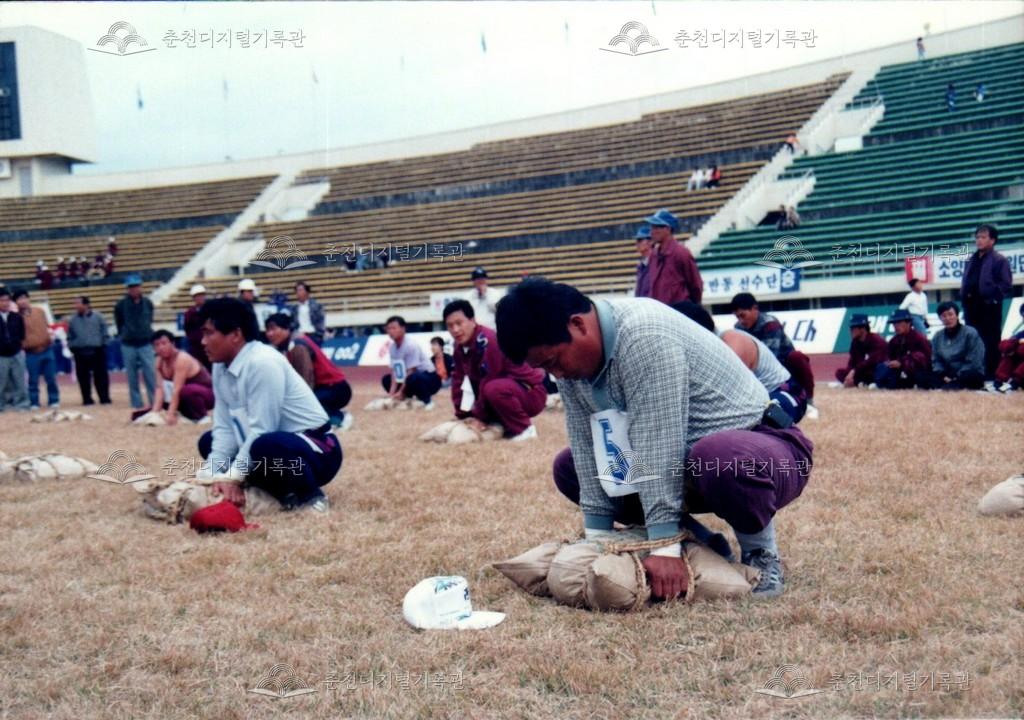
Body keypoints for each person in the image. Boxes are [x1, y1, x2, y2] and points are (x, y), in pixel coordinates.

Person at [496, 278, 813, 599]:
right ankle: (700, 546)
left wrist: (663, 545)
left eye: (553, 362)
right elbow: (586, 444)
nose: (557, 375)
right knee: (569, 466)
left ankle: (761, 554)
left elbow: (658, 441)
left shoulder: (643, 335)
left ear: (578, 325)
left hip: (764, 448)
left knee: (720, 458)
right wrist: (596, 542)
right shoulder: (572, 360)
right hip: (683, 466)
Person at [196, 298, 341, 514]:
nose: (203, 341)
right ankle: (276, 491)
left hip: (316, 449)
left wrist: (233, 476)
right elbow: (224, 428)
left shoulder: (262, 362)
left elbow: (263, 429)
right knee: (208, 442)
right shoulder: (220, 366)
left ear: (235, 335)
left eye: (209, 333)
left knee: (266, 446)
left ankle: (310, 496)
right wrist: (210, 475)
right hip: (270, 445)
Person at [672, 301, 806, 424]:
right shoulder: (722, 338)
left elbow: (724, 393)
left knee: (748, 420)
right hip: (758, 398)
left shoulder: (733, 340)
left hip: (785, 394)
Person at [445, 298, 546, 441]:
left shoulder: (489, 341)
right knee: (483, 387)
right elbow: (458, 380)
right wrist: (463, 415)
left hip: (531, 392)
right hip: (508, 390)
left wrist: (478, 417)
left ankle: (525, 429)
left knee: (492, 388)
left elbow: (489, 378)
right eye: (450, 326)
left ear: (472, 321)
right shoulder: (459, 347)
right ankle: (504, 424)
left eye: (459, 323)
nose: (455, 330)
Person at [731, 292, 817, 417]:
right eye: (737, 317)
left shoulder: (770, 323)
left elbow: (771, 355)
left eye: (743, 315)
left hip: (782, 364)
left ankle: (809, 400)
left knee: (797, 357)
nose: (741, 320)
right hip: (756, 368)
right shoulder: (738, 328)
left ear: (755, 309)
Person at [264, 313, 353, 429]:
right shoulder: (287, 345)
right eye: (267, 330)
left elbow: (305, 378)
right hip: (327, 388)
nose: (269, 334)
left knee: (303, 408)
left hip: (335, 388)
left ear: (286, 328)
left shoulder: (297, 346)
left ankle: (339, 417)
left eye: (273, 329)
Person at [960, 224, 1012, 383]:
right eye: (977, 237)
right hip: (971, 305)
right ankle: (977, 371)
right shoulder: (971, 259)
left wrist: (993, 299)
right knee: (973, 339)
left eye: (983, 237)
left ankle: (992, 373)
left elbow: (1006, 284)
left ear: (993, 240)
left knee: (990, 339)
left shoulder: (999, 260)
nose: (979, 241)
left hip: (989, 306)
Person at [137, 330, 214, 424]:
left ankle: (202, 417)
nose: (161, 347)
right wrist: (155, 412)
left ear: (172, 343)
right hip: (183, 397)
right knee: (141, 414)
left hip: (206, 395)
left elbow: (177, 389)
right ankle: (184, 415)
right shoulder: (158, 361)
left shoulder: (182, 359)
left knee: (186, 391)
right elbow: (159, 388)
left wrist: (171, 413)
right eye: (157, 345)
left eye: (164, 343)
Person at [380, 315, 442, 407]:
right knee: (386, 379)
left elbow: (411, 371)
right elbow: (395, 372)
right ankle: (403, 397)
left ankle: (427, 401)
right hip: (409, 378)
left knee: (413, 377)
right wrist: (391, 393)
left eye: (393, 328)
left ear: (403, 329)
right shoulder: (392, 348)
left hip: (429, 379)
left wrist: (401, 391)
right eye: (388, 328)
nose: (390, 331)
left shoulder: (410, 345)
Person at [114, 274, 156, 410]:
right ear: (127, 289)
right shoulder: (120, 305)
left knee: (150, 373)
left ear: (140, 287)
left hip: (145, 342)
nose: (134, 289)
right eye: (131, 287)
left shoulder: (148, 303)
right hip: (128, 344)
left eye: (136, 286)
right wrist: (124, 334)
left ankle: (154, 400)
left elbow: (150, 319)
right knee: (132, 376)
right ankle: (136, 403)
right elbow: (119, 322)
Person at [646, 209, 703, 306]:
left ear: (667, 229)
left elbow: (695, 285)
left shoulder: (681, 253)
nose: (652, 232)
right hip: (659, 311)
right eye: (652, 228)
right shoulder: (653, 255)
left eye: (656, 228)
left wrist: (691, 308)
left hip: (679, 311)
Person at [14, 289, 59, 409]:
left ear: (28, 299)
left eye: (24, 298)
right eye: (19, 299)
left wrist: (49, 337)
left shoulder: (40, 311)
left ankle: (54, 400)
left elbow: (47, 326)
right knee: (33, 380)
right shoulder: (16, 317)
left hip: (47, 348)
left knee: (51, 378)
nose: (23, 301)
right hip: (31, 352)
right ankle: (34, 402)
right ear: (16, 302)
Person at [66, 296, 111, 405]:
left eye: (78, 303)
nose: (76, 306)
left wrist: (103, 344)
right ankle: (87, 399)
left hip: (97, 350)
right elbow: (70, 335)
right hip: (80, 351)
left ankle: (104, 398)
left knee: (101, 376)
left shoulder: (98, 317)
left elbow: (104, 332)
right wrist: (72, 347)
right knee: (83, 377)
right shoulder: (73, 320)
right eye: (75, 303)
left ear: (86, 305)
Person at [930, 301, 985, 390]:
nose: (948, 318)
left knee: (972, 376)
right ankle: (950, 384)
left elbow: (975, 361)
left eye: (950, 314)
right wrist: (943, 374)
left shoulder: (970, 333)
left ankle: (953, 384)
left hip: (966, 372)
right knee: (924, 376)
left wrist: (957, 375)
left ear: (957, 315)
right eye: (944, 316)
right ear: (940, 318)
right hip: (947, 374)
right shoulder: (937, 336)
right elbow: (936, 360)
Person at [873, 309, 932, 390]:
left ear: (908, 323)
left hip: (916, 372)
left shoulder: (919, 339)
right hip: (899, 373)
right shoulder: (894, 341)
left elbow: (924, 360)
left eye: (899, 323)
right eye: (894, 323)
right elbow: (888, 357)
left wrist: (902, 363)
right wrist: (889, 363)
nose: (896, 326)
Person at [834, 313, 888, 388]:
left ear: (863, 328)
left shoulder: (876, 341)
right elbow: (852, 362)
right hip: (860, 371)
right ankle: (856, 382)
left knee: (878, 371)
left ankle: (866, 383)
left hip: (874, 369)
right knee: (840, 373)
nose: (850, 330)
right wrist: (849, 374)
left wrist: (854, 371)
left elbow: (872, 361)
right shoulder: (855, 343)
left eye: (853, 328)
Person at [0, 288, 29, 412]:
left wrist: (17, 347)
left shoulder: (16, 317)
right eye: (2, 300)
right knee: (2, 382)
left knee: (19, 380)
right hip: (1, 355)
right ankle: (2, 405)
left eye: (7, 300)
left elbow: (22, 335)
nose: (5, 303)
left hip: (16, 352)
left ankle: (22, 404)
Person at [994, 304, 1024, 392]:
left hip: (1020, 375)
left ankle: (1015, 381)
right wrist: (1011, 348)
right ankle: (999, 381)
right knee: (1008, 356)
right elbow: (1004, 346)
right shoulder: (1020, 334)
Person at [183, 284, 211, 369]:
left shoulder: (211, 310)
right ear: (194, 298)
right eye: (197, 296)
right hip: (197, 348)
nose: (200, 298)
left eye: (201, 295)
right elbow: (187, 329)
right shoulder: (189, 313)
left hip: (211, 345)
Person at [634, 224, 653, 298]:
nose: (637, 243)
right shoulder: (641, 266)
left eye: (640, 240)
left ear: (650, 242)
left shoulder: (657, 264)